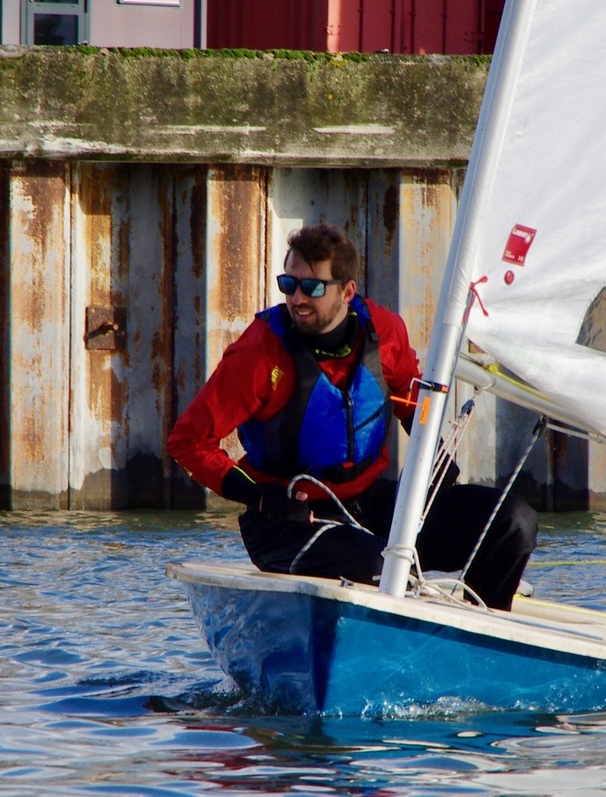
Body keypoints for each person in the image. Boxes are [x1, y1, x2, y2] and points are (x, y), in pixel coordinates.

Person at [167, 223, 537, 610]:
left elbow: (412, 399)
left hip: (370, 505)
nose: (297, 298)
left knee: (513, 522)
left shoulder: (384, 332)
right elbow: (188, 441)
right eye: (288, 284)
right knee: (383, 568)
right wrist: (258, 497)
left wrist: (434, 454)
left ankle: (476, 629)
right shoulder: (259, 353)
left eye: (312, 287)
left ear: (346, 291)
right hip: (289, 522)